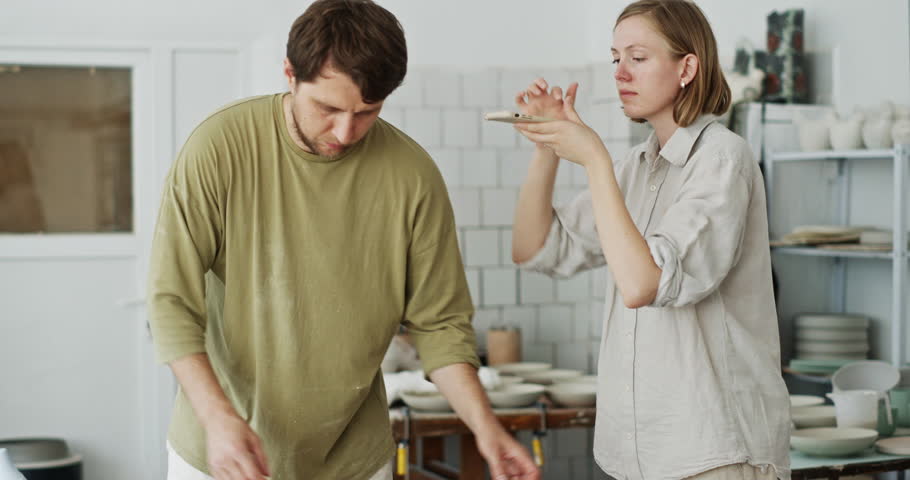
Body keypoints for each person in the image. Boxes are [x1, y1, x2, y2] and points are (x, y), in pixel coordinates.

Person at [147, 1, 539, 479]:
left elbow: (440, 326)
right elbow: (171, 303)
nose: (345, 132)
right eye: (327, 108)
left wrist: (488, 430)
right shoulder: (219, 147)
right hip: (222, 451)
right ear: (290, 74)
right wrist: (217, 419)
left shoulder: (412, 177)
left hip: (353, 461)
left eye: (366, 112)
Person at [509, 1, 791, 479]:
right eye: (615, 57)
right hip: (639, 455)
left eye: (637, 57)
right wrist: (547, 147)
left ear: (687, 67)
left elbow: (646, 284)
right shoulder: (635, 169)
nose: (620, 72)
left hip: (715, 453)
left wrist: (594, 157)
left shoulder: (722, 158)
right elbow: (534, 249)